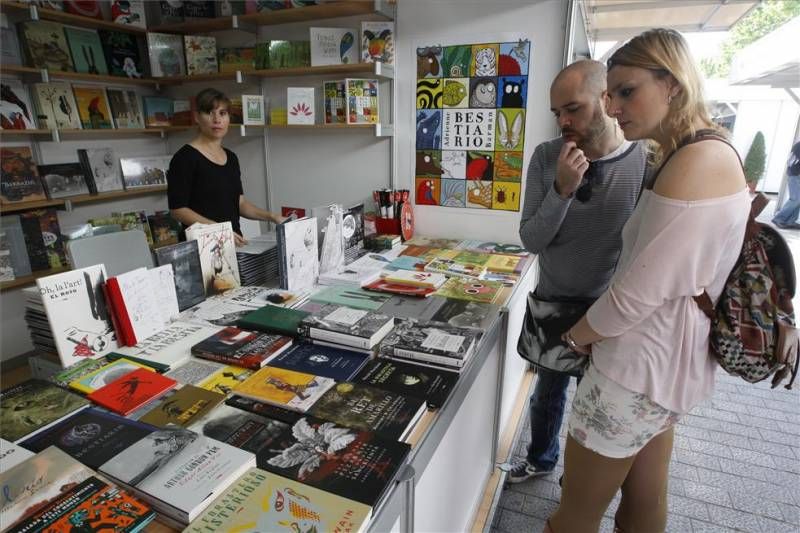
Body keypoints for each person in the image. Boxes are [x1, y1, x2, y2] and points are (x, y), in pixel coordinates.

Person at [545, 29, 750, 533]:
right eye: (611, 94)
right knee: (642, 503)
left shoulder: (696, 160)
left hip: (635, 368)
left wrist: (576, 337)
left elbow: (640, 290)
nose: (614, 107)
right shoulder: (702, 150)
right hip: (663, 366)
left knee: (573, 516)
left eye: (627, 91)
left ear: (673, 83)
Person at [511, 60, 648, 483]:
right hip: (553, 305)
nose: (563, 121)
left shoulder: (644, 159)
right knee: (547, 396)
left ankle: (581, 482)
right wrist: (562, 189)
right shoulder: (548, 157)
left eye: (572, 108)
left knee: (598, 406)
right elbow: (532, 239)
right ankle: (540, 459)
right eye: (557, 113)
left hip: (611, 315)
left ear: (606, 100)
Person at [168, 88, 283, 246]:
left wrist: (272, 216)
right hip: (201, 247)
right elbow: (178, 210)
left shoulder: (231, 158)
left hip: (233, 243)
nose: (217, 119)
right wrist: (219, 230)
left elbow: (240, 204)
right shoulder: (185, 158)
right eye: (209, 112)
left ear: (229, 118)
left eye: (222, 113)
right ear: (197, 117)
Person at [772, 140, 800, 229]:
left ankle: (790, 221)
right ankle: (778, 218)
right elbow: (791, 161)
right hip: (795, 175)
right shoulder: (798, 146)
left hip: (796, 175)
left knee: (798, 199)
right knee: (795, 198)